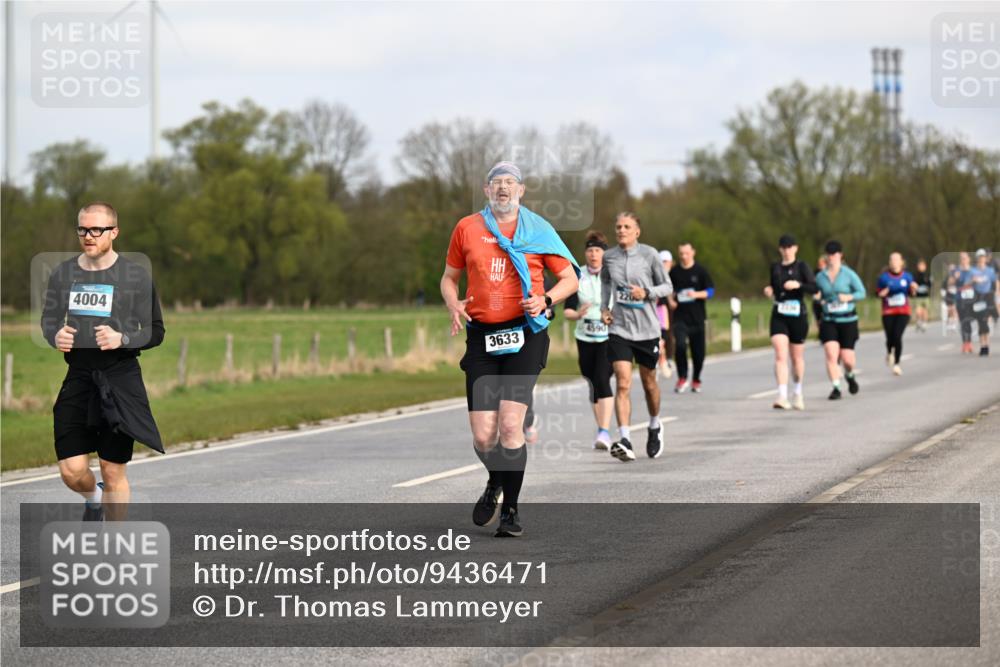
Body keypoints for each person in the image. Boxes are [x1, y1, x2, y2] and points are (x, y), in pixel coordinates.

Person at [441, 161, 578, 537]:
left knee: (510, 425)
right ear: (486, 191)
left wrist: (547, 300)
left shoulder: (538, 230)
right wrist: (453, 303)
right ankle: (496, 480)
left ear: (522, 190)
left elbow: (568, 278)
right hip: (483, 336)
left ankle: (511, 512)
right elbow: (449, 278)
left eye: (510, 183)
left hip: (525, 334)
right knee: (484, 436)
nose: (503, 188)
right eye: (496, 183)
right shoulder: (467, 228)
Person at [40, 202, 165, 522]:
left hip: (119, 379)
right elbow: (49, 321)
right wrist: (54, 336)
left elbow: (155, 330)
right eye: (82, 229)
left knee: (112, 470)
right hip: (80, 376)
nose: (88, 236)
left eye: (96, 229)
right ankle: (93, 499)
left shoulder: (135, 276)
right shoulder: (64, 273)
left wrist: (122, 339)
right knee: (71, 470)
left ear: (114, 232)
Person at [600, 212, 673, 462]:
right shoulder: (609, 257)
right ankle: (625, 439)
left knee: (649, 383)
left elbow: (667, 286)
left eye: (626, 226)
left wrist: (647, 292)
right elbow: (606, 284)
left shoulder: (650, 255)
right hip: (619, 328)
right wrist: (604, 308)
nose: (621, 230)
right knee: (622, 382)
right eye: (618, 226)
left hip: (647, 330)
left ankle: (654, 425)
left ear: (637, 232)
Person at [563, 231, 614, 450]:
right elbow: (567, 311)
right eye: (590, 250)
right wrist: (577, 314)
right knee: (592, 381)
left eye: (598, 251)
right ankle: (601, 429)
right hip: (584, 337)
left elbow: (623, 305)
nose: (593, 255)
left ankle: (604, 431)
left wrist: (612, 315)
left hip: (607, 337)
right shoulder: (577, 276)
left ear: (604, 253)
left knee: (602, 379)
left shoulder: (613, 276)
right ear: (585, 253)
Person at [763, 235, 816, 410]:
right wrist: (769, 289)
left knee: (796, 357)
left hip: (797, 314)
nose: (786, 250)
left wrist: (798, 285)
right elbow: (773, 285)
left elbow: (814, 288)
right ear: (780, 249)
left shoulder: (802, 266)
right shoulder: (775, 267)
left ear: (795, 248)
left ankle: (798, 392)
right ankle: (782, 395)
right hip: (779, 312)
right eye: (783, 247)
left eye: (789, 247)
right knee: (780, 353)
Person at [815, 240, 866, 400]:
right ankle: (836, 387)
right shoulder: (820, 276)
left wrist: (848, 297)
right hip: (829, 319)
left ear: (840, 255)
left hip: (848, 319)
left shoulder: (849, 274)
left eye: (834, 254)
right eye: (829, 254)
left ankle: (849, 375)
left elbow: (862, 292)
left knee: (847, 359)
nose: (832, 257)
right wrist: (818, 299)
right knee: (831, 354)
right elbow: (816, 294)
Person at [668, 242, 714, 393]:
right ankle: (682, 377)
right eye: (681, 253)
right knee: (680, 346)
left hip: (697, 317)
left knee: (698, 353)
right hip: (680, 317)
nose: (684, 256)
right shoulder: (674, 272)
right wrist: (671, 301)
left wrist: (696, 294)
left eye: (687, 253)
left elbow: (711, 291)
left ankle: (696, 379)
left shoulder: (700, 271)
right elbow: (668, 290)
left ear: (693, 252)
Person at [876, 252, 918, 376]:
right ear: (889, 263)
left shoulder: (907, 277)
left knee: (897, 336)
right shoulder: (883, 278)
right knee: (890, 337)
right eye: (892, 260)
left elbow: (912, 294)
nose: (894, 262)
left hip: (903, 311)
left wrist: (914, 289)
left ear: (901, 262)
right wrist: (884, 292)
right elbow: (878, 293)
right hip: (888, 311)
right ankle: (889, 352)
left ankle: (897, 364)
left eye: (896, 260)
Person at [968, 248, 998, 356]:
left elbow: (995, 283)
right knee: (981, 321)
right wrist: (973, 280)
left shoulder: (990, 271)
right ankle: (982, 346)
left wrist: (997, 296)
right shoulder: (973, 270)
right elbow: (967, 284)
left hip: (988, 296)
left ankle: (987, 345)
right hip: (978, 296)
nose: (981, 259)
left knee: (985, 320)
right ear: (977, 259)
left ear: (986, 258)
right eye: (979, 257)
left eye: (983, 257)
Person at [656, 249, 675, 378]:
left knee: (666, 335)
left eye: (666, 261)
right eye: (661, 261)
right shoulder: (655, 275)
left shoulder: (672, 275)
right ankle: (660, 361)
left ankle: (666, 359)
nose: (664, 264)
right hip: (654, 309)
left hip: (664, 310)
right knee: (658, 338)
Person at [954, 252, 977, 354]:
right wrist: (955, 278)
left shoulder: (973, 271)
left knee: (968, 320)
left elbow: (978, 283)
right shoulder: (957, 271)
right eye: (961, 258)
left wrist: (974, 281)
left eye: (965, 258)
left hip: (971, 299)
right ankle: (965, 343)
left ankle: (969, 342)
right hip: (960, 299)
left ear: (969, 259)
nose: (963, 260)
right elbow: (949, 283)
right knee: (963, 321)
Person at [912, 258, 932, 332]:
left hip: (926, 296)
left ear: (925, 266)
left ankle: (924, 323)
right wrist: (913, 290)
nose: (921, 267)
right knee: (918, 311)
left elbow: (930, 285)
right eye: (920, 265)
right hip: (918, 296)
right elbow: (913, 285)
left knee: (925, 311)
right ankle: (919, 321)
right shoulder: (915, 275)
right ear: (918, 266)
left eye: (922, 266)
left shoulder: (927, 275)